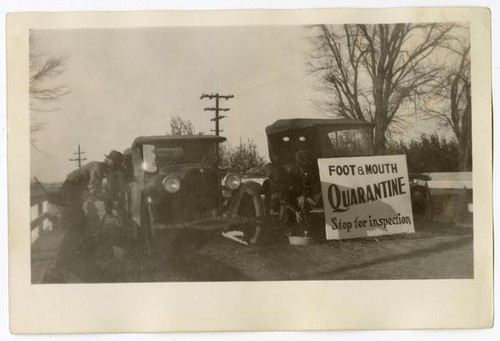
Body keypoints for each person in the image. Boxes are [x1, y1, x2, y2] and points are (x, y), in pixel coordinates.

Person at [45, 151, 124, 283]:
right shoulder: (98, 167)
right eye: (115, 164)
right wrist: (109, 198)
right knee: (75, 227)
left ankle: (68, 258)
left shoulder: (101, 168)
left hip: (73, 194)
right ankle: (58, 265)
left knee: (80, 226)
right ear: (110, 161)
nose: (114, 167)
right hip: (69, 194)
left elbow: (93, 186)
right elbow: (93, 187)